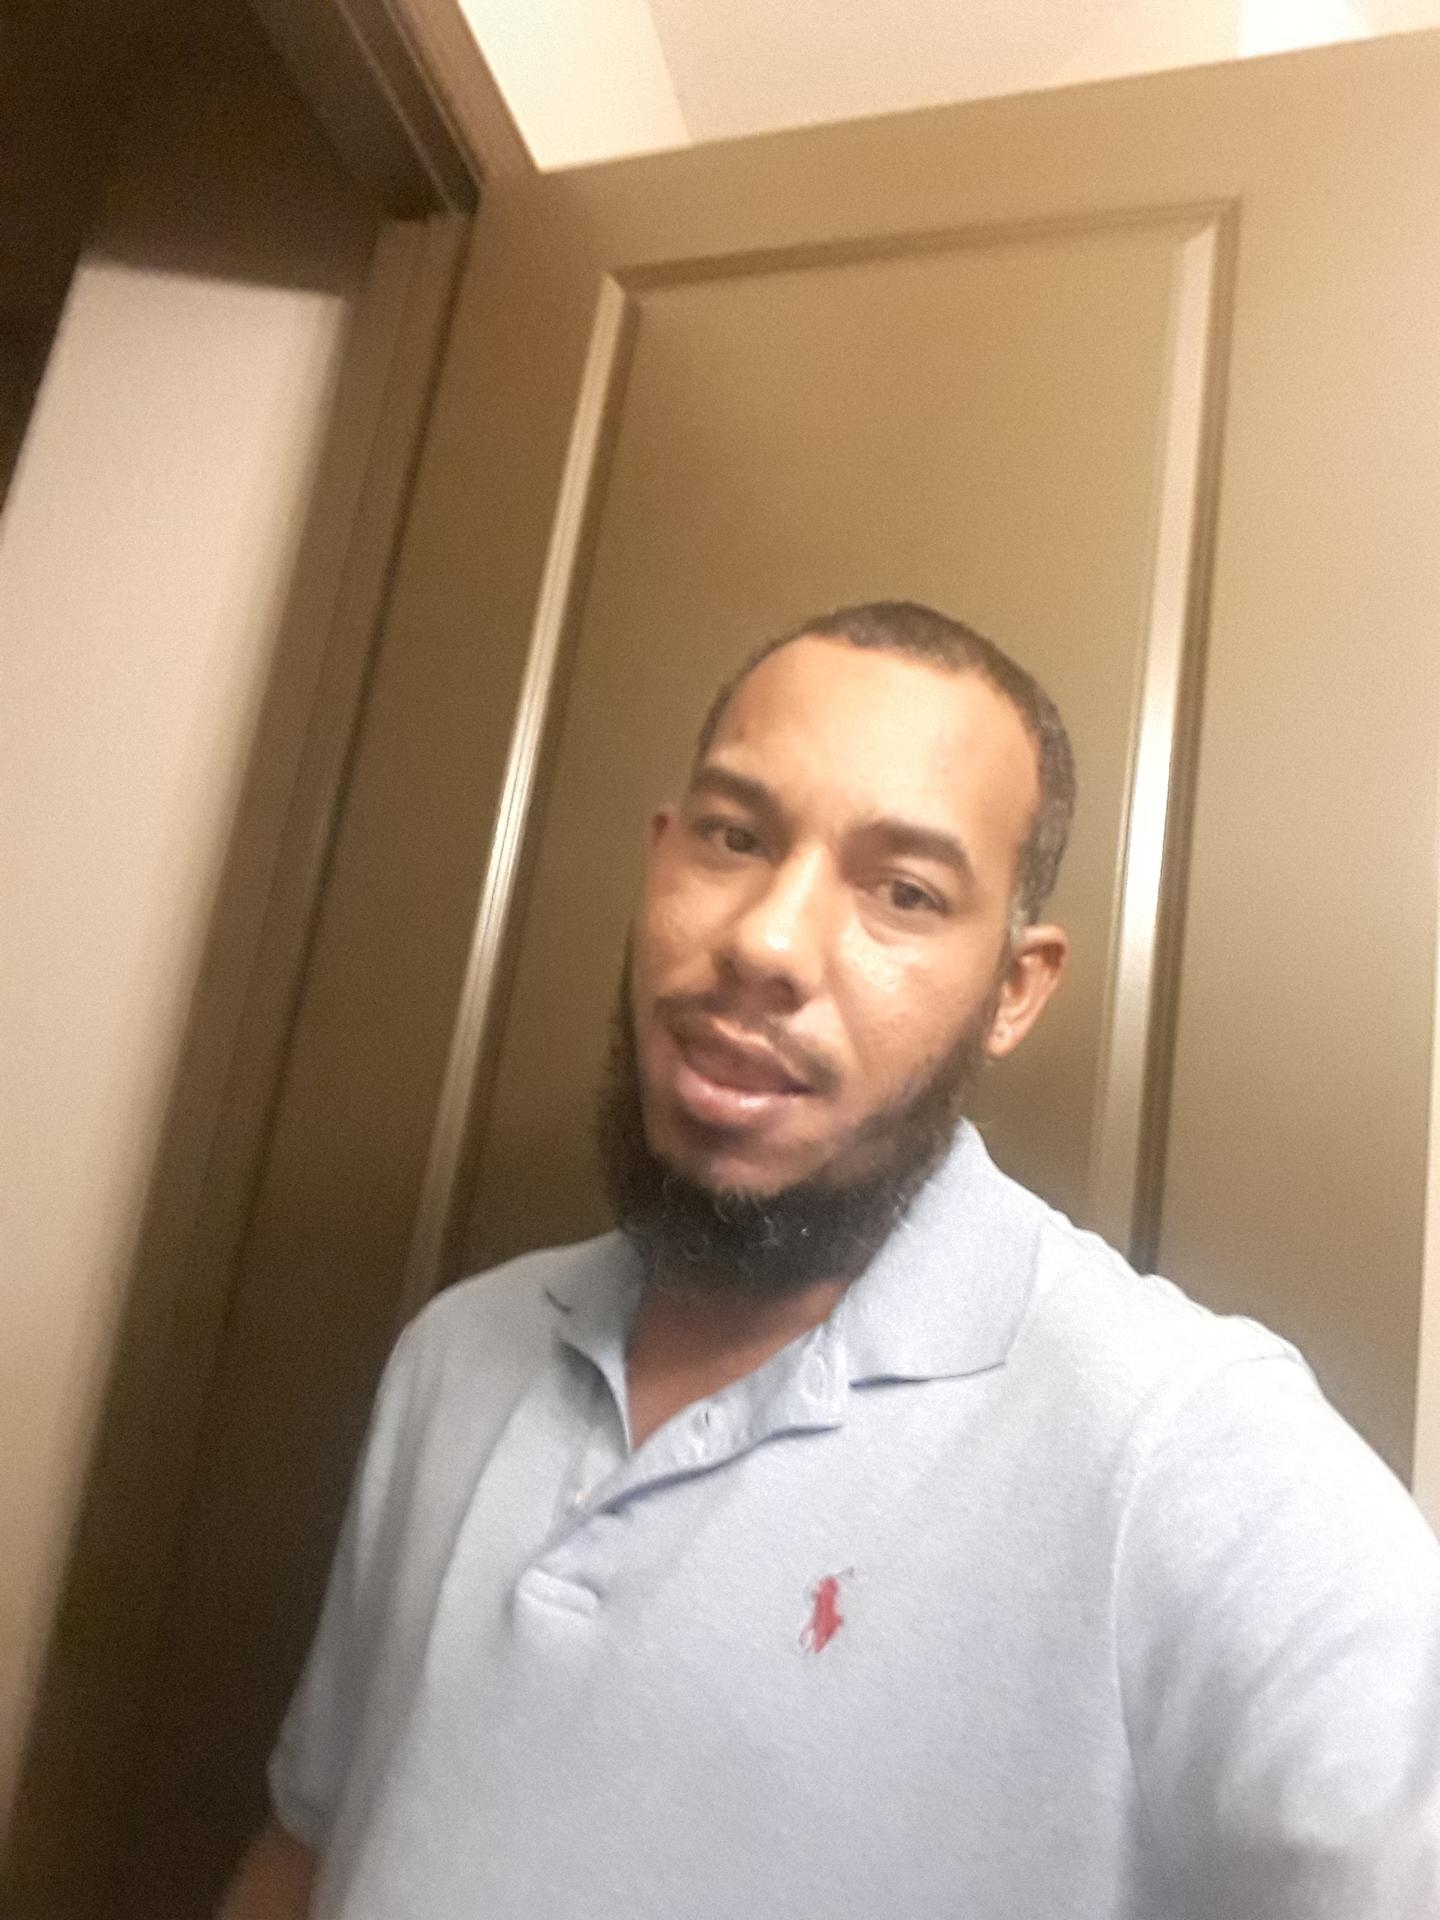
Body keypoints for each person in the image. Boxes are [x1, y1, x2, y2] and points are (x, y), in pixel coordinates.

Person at [220, 601, 1440, 1920]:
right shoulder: (458, 1354)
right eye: (734, 837)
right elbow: (310, 1848)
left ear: (1015, 989)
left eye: (904, 892)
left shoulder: (1185, 1452)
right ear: (659, 858)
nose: (765, 941)